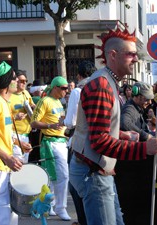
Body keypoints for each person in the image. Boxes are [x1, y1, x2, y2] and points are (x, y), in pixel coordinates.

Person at [69, 25, 157, 225]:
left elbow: (96, 129)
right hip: (93, 173)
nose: (136, 58)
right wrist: (144, 148)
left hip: (97, 171)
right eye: (131, 54)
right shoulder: (102, 85)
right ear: (113, 55)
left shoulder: (108, 82)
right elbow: (99, 142)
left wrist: (121, 134)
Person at [0, 61, 32, 225]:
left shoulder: (4, 102)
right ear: (6, 82)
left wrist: (17, 143)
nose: (18, 82)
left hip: (2, 166)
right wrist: (6, 157)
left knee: (5, 215)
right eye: (14, 79)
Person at [61, 60, 97, 225]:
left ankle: (83, 220)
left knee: (75, 185)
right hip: (96, 141)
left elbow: (70, 122)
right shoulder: (99, 87)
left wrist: (63, 120)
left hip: (78, 142)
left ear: (79, 75)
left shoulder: (78, 91)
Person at [30, 76, 71, 221]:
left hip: (61, 142)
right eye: (64, 88)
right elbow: (33, 122)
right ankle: (61, 208)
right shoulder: (45, 101)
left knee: (53, 176)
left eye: (67, 88)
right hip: (51, 142)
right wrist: (50, 126)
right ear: (55, 87)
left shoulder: (59, 102)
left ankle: (50, 205)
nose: (67, 91)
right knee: (63, 175)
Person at [10, 69, 36, 163]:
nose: (24, 83)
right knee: (17, 164)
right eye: (21, 81)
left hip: (26, 135)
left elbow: (31, 105)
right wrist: (15, 117)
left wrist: (33, 107)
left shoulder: (26, 93)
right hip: (13, 135)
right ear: (15, 81)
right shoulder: (9, 95)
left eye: (26, 81)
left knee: (24, 164)